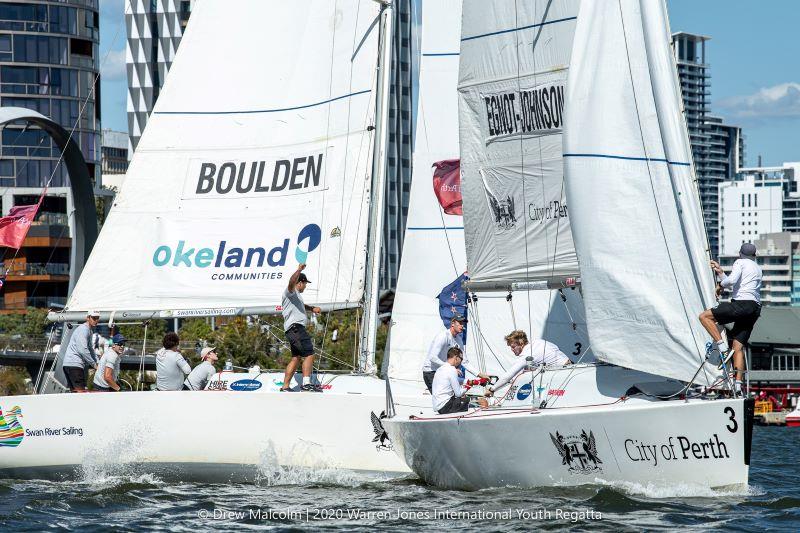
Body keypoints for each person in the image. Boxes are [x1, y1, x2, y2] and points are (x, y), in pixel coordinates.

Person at [699, 242, 762, 394]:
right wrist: (721, 272)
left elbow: (731, 281)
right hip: (755, 308)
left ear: (740, 253)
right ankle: (738, 386)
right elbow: (736, 282)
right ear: (754, 256)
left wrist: (720, 285)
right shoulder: (757, 268)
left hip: (742, 304)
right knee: (738, 348)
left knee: (704, 317)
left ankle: (722, 349)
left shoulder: (740, 262)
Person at [485, 330, 570, 398]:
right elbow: (556, 348)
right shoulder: (538, 342)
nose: (512, 349)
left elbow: (509, 375)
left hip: (562, 375)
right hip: (572, 367)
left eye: (513, 347)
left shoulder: (526, 355)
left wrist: (492, 389)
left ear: (521, 343)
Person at [280, 263, 321, 392]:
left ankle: (285, 386)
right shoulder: (291, 291)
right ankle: (306, 383)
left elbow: (301, 305)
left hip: (292, 330)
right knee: (309, 354)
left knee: (296, 357)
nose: (305, 287)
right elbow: (291, 282)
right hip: (296, 328)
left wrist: (312, 308)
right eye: (305, 284)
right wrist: (298, 270)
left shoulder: (296, 297)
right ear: (300, 283)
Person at [421, 314, 488, 392]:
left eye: (463, 323)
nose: (462, 326)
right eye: (460, 323)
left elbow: (464, 362)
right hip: (430, 371)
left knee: (453, 397)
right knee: (444, 398)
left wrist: (479, 374)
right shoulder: (443, 336)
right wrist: (449, 367)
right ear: (452, 323)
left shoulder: (458, 340)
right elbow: (432, 357)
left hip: (443, 371)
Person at [62, 310, 101, 392]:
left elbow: (90, 349)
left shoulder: (89, 330)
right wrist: (94, 364)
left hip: (70, 364)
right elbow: (83, 350)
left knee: (75, 392)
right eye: (94, 318)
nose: (96, 320)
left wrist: (98, 362)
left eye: (97, 318)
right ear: (88, 318)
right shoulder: (84, 329)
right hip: (74, 364)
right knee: (80, 393)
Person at [431, 347, 471, 414]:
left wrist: (469, 381)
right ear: (456, 357)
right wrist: (468, 387)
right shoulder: (452, 370)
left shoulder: (440, 369)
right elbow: (458, 394)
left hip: (439, 407)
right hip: (447, 406)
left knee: (465, 400)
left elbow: (454, 380)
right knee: (479, 402)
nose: (461, 361)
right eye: (461, 359)